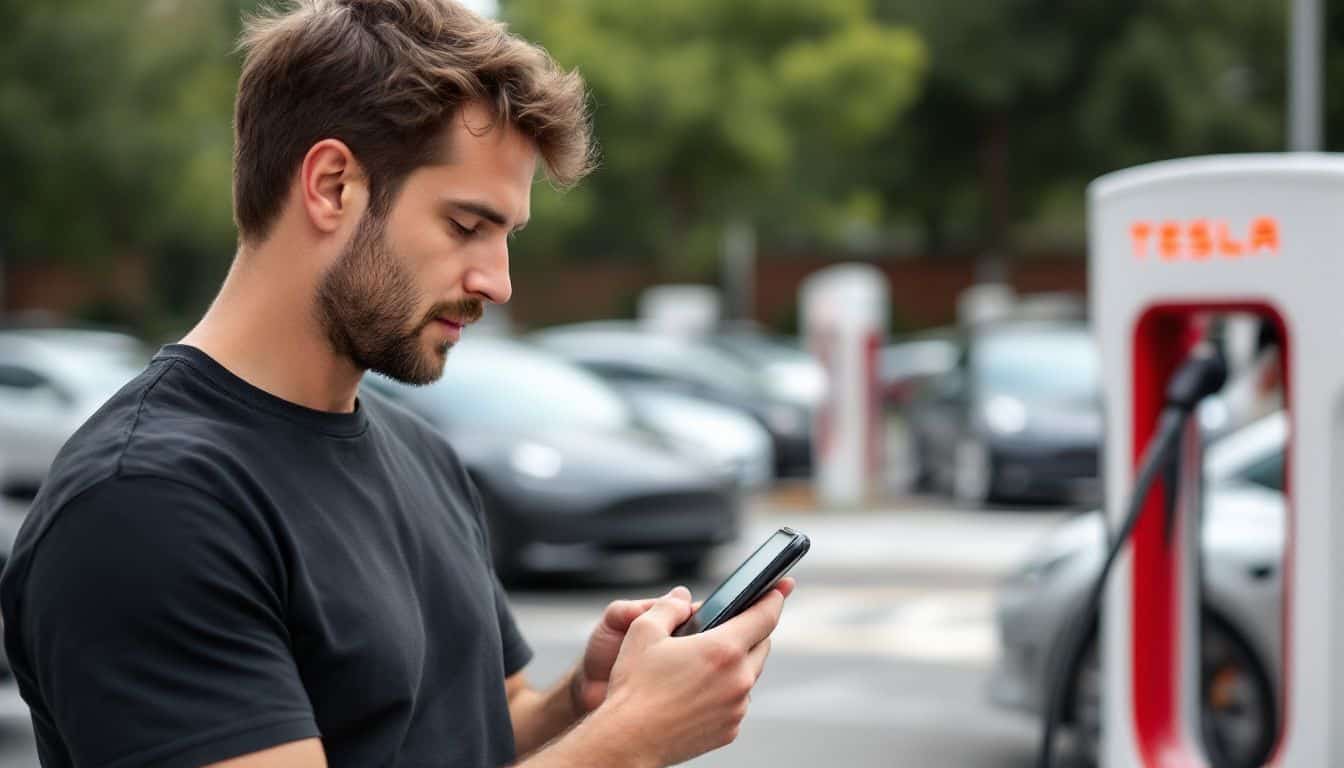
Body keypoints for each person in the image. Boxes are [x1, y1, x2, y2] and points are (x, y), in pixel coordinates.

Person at [0, 1, 794, 766]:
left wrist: (587, 705)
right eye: (467, 225)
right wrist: (632, 741)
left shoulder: (421, 452)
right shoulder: (143, 505)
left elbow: (476, 730)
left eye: (507, 236)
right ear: (332, 186)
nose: (498, 282)